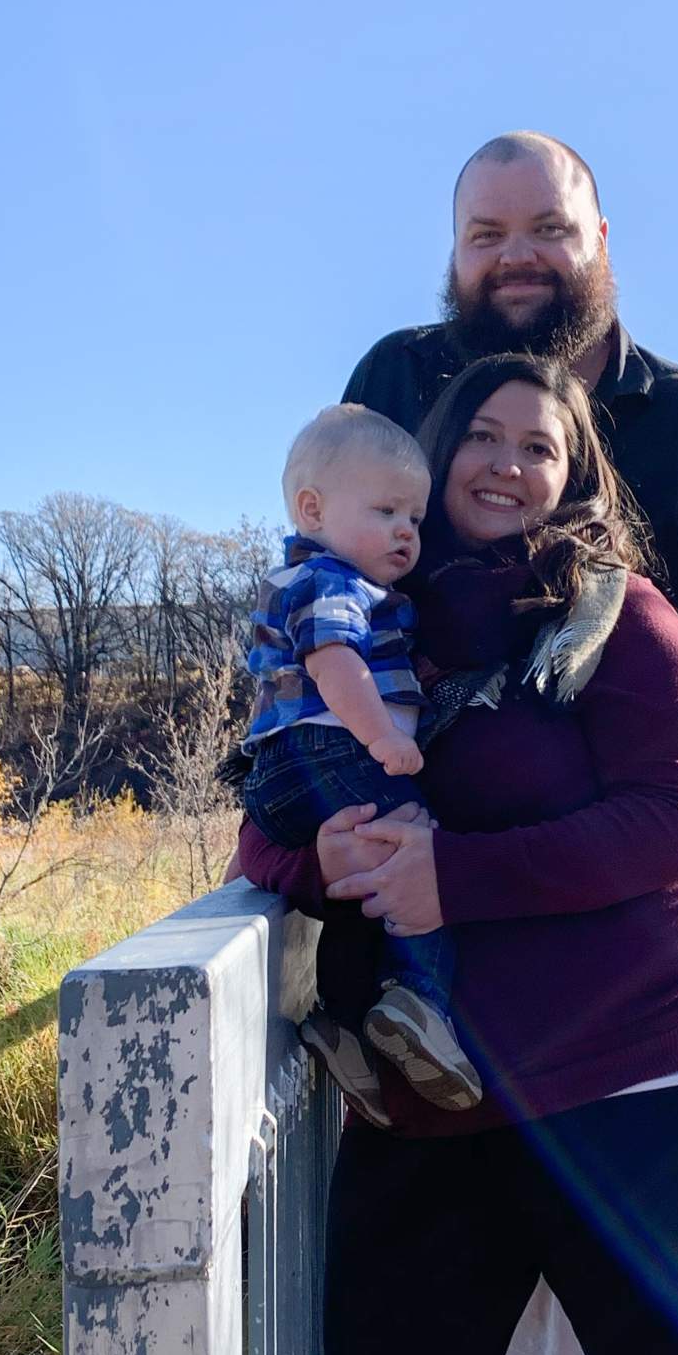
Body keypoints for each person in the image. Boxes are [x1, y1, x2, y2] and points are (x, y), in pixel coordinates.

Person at [331, 130, 678, 1355]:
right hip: (461, 899)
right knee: (515, 1222)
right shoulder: (397, 384)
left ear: (600, 242)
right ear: (454, 253)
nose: (517, 258)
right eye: (487, 233)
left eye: (546, 228)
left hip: (674, 877)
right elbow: (334, 596)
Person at [240, 355, 678, 1355]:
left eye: (541, 445)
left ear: (575, 475)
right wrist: (309, 860)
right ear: (435, 456)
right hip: (444, 1075)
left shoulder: (623, 612)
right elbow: (269, 804)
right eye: (483, 434)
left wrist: (456, 878)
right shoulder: (359, 608)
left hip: (643, 1054)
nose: (508, 462)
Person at [242, 403, 481, 1116]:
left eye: (414, 517)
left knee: (366, 880)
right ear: (312, 509)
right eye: (386, 511)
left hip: (289, 770)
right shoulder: (331, 580)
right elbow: (333, 660)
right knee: (420, 848)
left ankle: (342, 1022)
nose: (406, 532)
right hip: (330, 747)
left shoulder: (337, 581)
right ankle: (421, 1004)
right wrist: (382, 738)